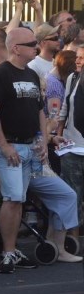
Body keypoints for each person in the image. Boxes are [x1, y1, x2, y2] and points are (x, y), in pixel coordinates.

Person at [0, 27, 46, 274]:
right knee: (12, 199)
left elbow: (39, 109)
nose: (36, 46)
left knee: (18, 199)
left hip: (29, 145)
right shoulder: (1, 74)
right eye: (31, 43)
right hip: (9, 147)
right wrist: (3, 144)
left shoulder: (32, 74)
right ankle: (8, 252)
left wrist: (43, 138)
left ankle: (11, 250)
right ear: (15, 48)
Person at [58, 46, 84, 238]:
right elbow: (65, 108)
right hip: (72, 147)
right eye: (78, 57)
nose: (78, 61)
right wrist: (58, 134)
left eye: (82, 58)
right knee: (72, 195)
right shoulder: (72, 78)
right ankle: (73, 239)